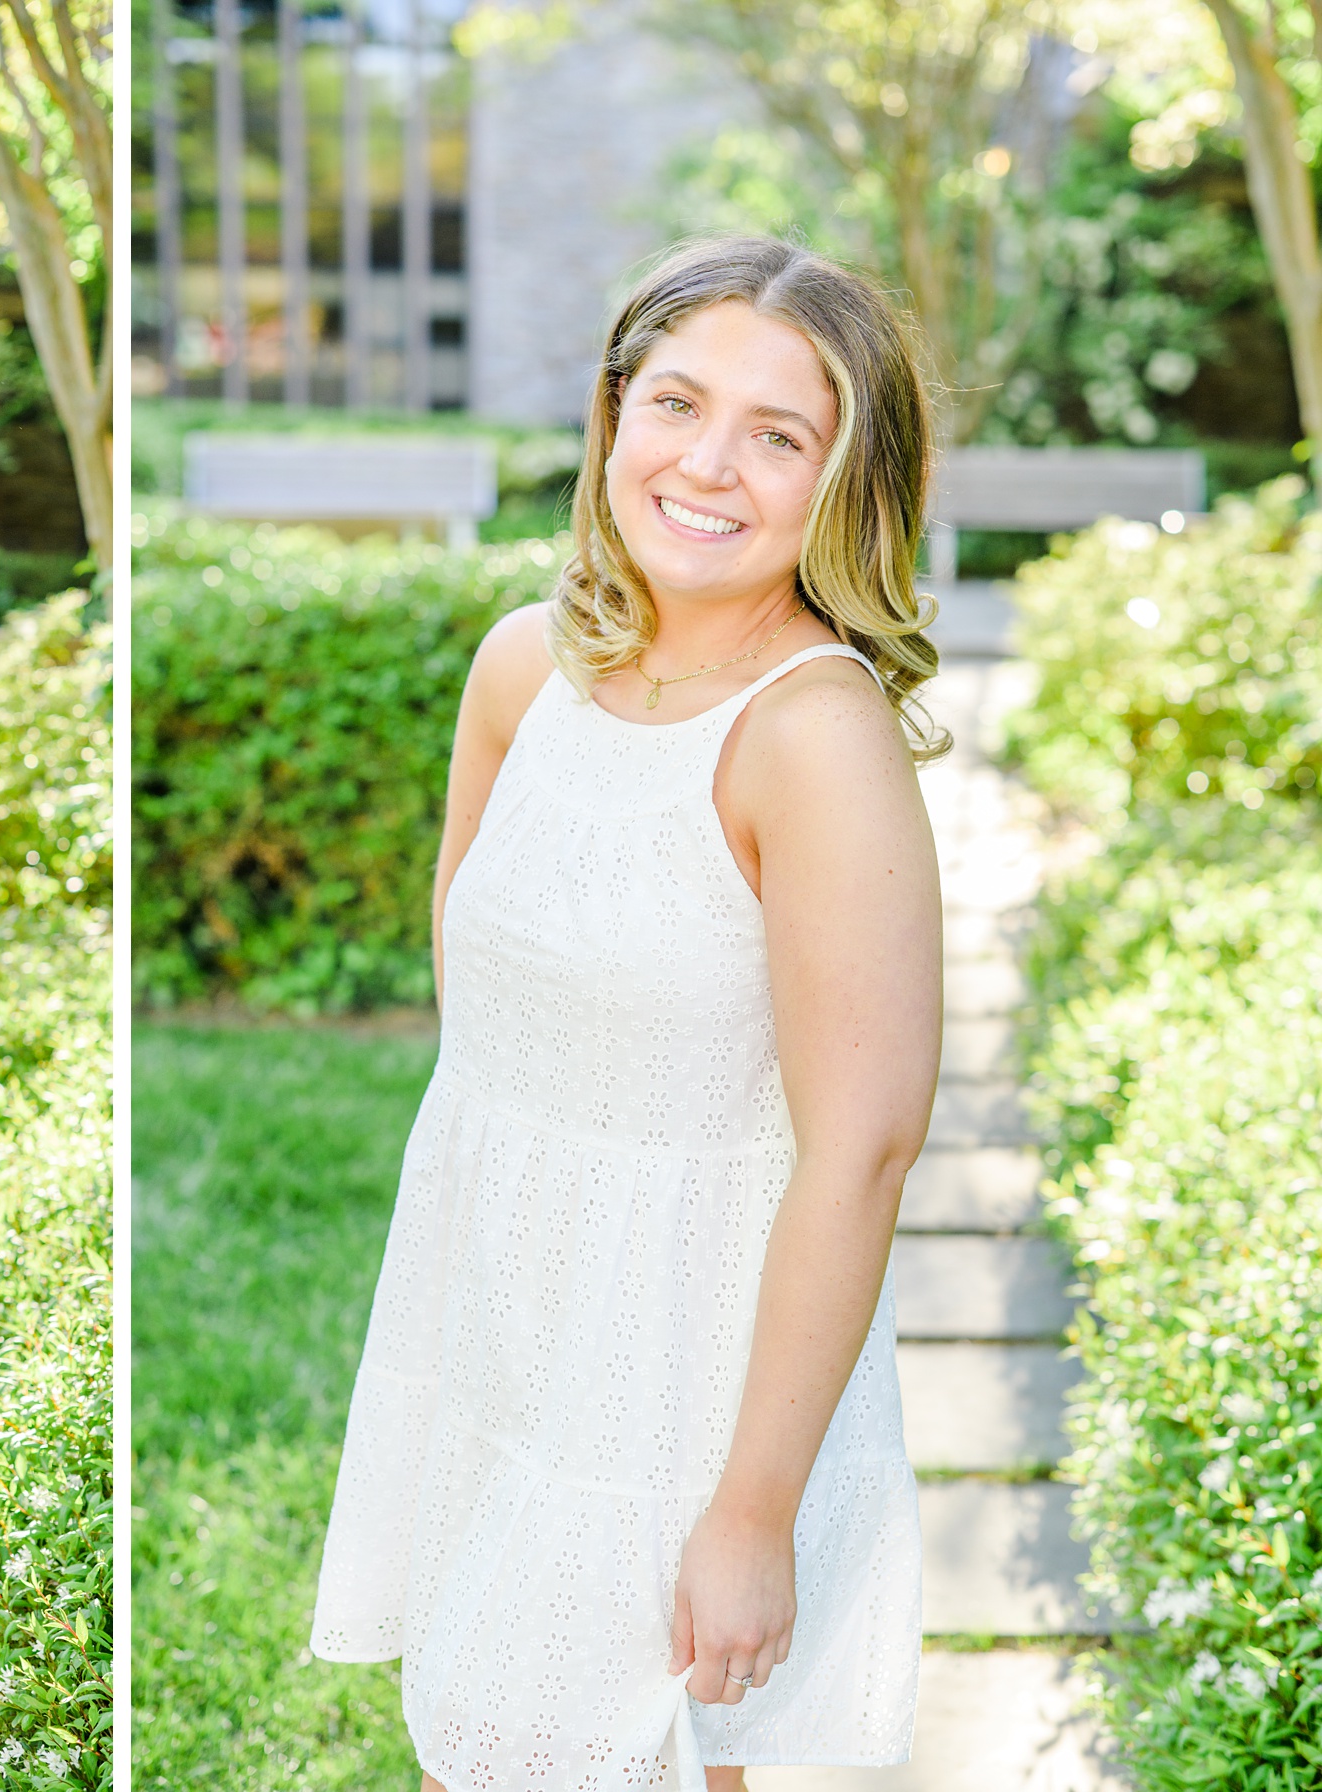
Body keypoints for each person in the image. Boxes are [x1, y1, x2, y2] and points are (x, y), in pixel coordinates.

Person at [309, 236, 945, 1790]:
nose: (707, 466)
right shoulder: (523, 668)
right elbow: (481, 993)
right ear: (611, 416)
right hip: (510, 1323)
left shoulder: (813, 741)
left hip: (694, 1378)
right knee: (492, 1740)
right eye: (676, 404)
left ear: (843, 486)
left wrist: (751, 1510)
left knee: (651, 1753)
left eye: (778, 435)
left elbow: (860, 1151)